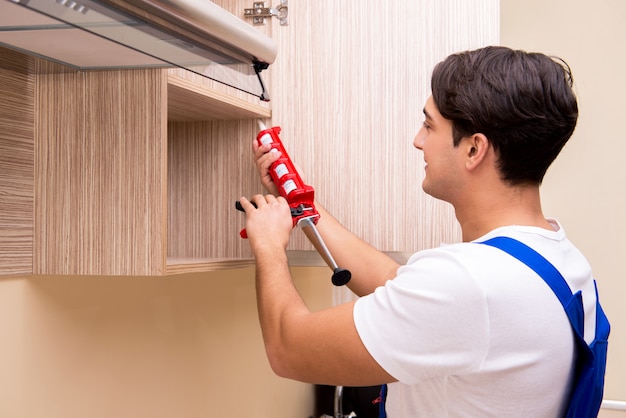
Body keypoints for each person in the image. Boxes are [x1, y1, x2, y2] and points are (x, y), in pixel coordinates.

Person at [238, 46, 598, 417]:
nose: (418, 140)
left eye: (429, 125)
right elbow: (401, 286)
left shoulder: (469, 284)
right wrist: (298, 199)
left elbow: (288, 348)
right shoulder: (557, 259)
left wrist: (268, 246)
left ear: (474, 149)